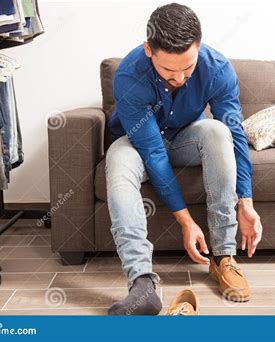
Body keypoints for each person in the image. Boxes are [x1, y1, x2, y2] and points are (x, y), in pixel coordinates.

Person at [106, 2, 263, 315]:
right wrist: (186, 220)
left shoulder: (217, 69)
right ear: (148, 50)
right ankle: (142, 283)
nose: (178, 78)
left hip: (185, 139)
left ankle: (223, 258)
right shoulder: (128, 75)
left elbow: (236, 134)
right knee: (117, 163)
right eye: (168, 71)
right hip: (139, 143)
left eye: (187, 69)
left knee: (219, 132)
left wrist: (245, 202)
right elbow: (152, 152)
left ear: (199, 47)